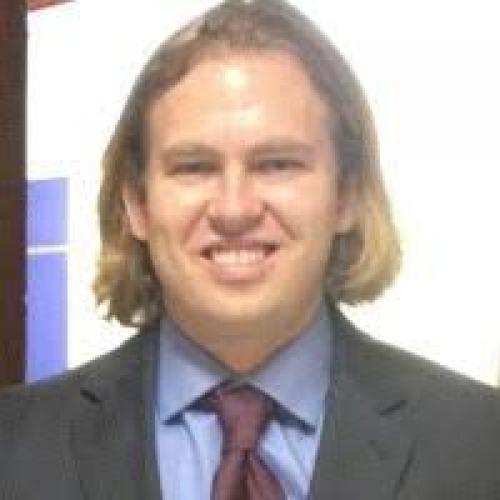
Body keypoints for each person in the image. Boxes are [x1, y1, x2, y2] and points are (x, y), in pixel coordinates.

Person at [1, 0, 499, 498]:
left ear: (345, 195)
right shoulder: (14, 448)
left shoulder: (480, 443)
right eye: (194, 167)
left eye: (277, 164)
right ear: (137, 203)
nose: (234, 209)